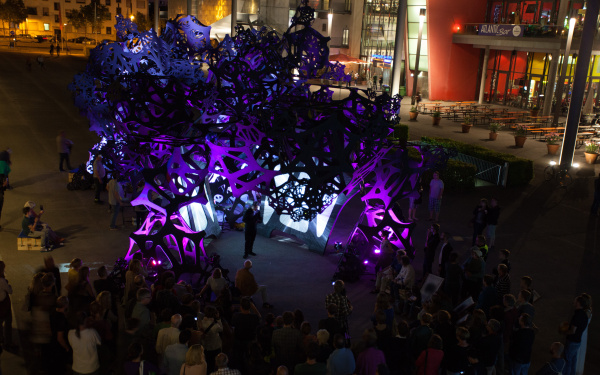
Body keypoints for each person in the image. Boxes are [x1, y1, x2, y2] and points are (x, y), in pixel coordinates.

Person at [562, 296, 589, 375]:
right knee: (573, 361)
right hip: (577, 341)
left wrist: (564, 332)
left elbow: (573, 331)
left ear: (578, 303)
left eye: (575, 300)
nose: (573, 301)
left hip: (572, 341)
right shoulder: (584, 315)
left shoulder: (577, 315)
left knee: (567, 361)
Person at [0, 262, 13, 351]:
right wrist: (9, 286)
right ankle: (8, 343)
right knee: (8, 324)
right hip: (3, 305)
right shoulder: (2, 280)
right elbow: (9, 291)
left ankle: (1, 339)